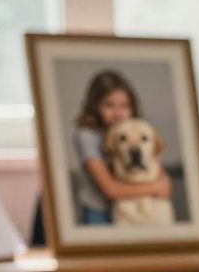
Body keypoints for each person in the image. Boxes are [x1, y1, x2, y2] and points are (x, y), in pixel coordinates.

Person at [71, 70, 171, 226]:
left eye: (124, 106)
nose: (118, 114)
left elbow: (161, 177)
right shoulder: (86, 136)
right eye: (109, 105)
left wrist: (161, 185)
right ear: (95, 106)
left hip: (132, 205)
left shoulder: (137, 129)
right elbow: (110, 190)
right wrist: (155, 188)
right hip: (98, 211)